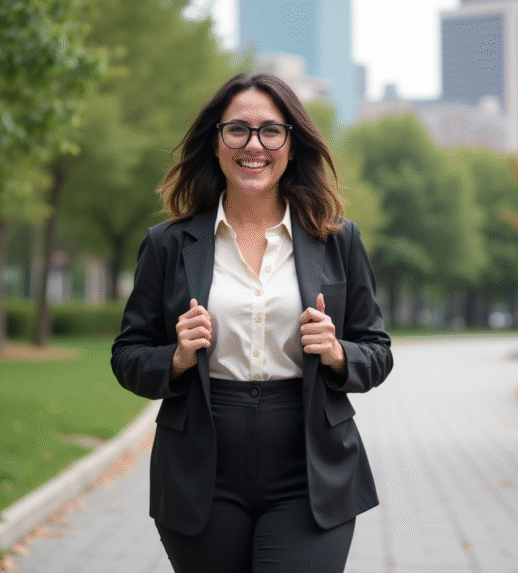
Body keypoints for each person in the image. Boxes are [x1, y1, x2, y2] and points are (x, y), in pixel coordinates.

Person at [111, 73, 393, 573]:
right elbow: (128, 356)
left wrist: (337, 352)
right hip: (201, 471)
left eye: (270, 131)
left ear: (291, 143)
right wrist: (175, 358)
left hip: (310, 472)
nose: (253, 145)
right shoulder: (168, 244)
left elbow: (377, 350)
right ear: (216, 143)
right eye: (237, 129)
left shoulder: (337, 240)